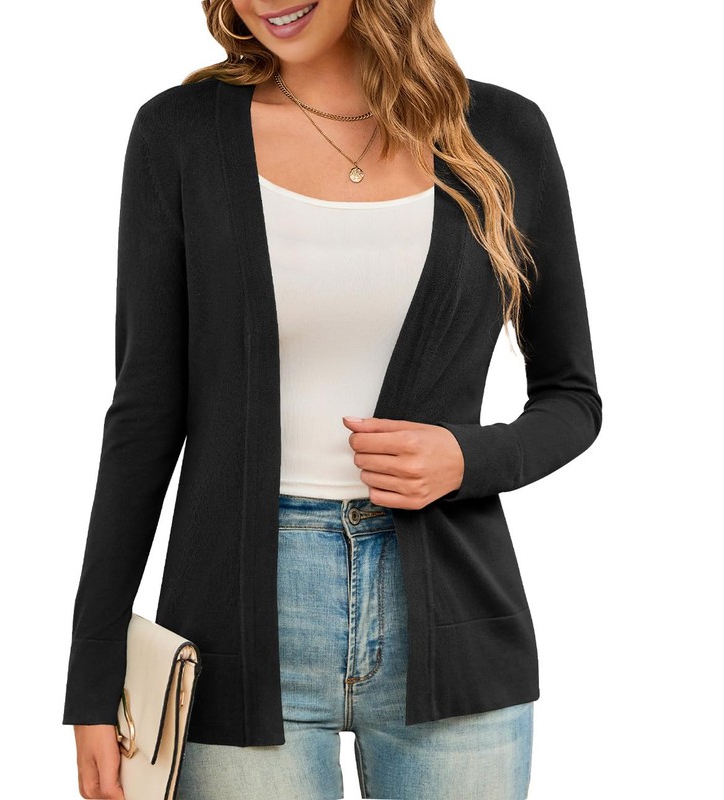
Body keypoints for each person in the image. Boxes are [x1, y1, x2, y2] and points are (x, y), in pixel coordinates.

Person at [62, 0, 602, 798]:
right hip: (235, 627)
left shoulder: (502, 134)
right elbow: (144, 414)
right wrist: (93, 674)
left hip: (454, 621)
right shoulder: (180, 134)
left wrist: (468, 457)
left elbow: (572, 397)